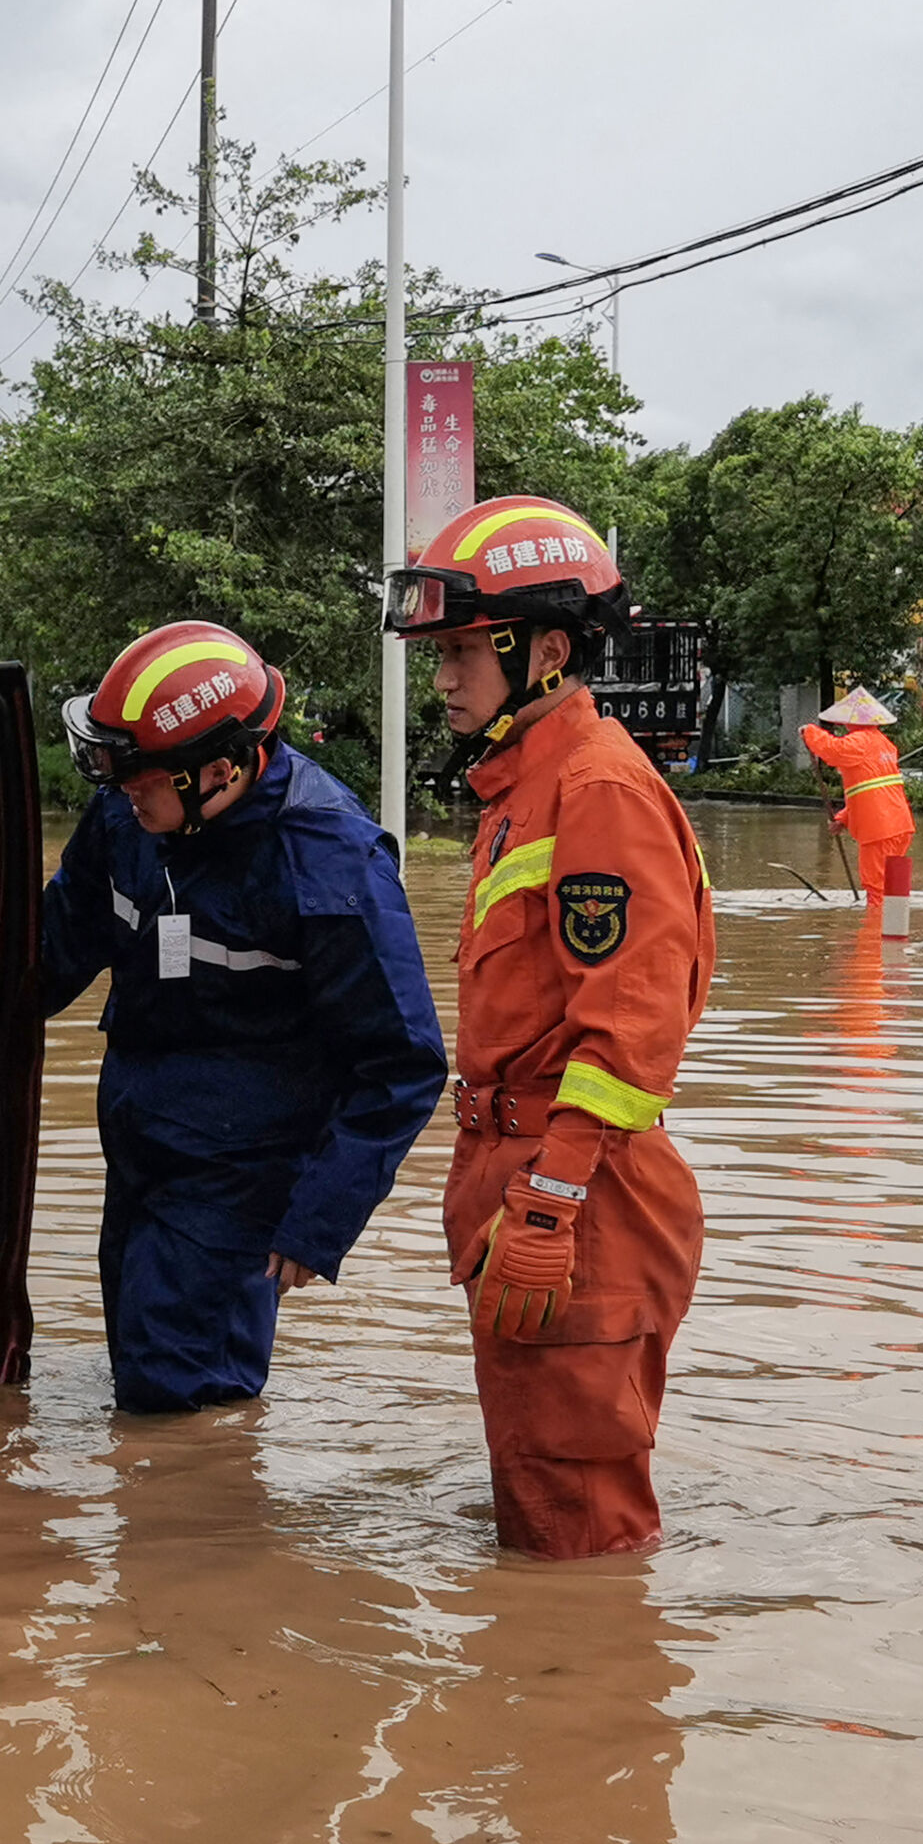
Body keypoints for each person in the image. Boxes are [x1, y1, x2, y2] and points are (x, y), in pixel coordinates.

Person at [384, 497, 716, 1561]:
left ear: (549, 649)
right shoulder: (522, 788)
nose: (442, 677)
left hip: (578, 1195)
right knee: (539, 1504)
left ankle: (582, 1713)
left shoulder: (596, 788)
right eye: (437, 652)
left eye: (463, 651)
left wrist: (551, 1203)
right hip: (525, 1179)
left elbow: (630, 1029)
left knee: (580, 1543)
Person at [36, 622, 447, 1414]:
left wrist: (318, 1219)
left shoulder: (326, 862)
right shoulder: (131, 814)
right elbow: (51, 949)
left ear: (217, 771)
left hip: (241, 1171)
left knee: (181, 1402)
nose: (121, 793)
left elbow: (401, 1063)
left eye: (140, 779)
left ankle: (205, 1528)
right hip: (139, 1139)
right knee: (137, 1364)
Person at [795, 685, 916, 934]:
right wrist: (843, 818)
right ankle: (892, 936)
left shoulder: (859, 742)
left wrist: (809, 732)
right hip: (898, 825)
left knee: (876, 889)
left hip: (879, 828)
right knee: (892, 887)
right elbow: (869, 791)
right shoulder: (884, 743)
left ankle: (874, 940)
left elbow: (832, 751)